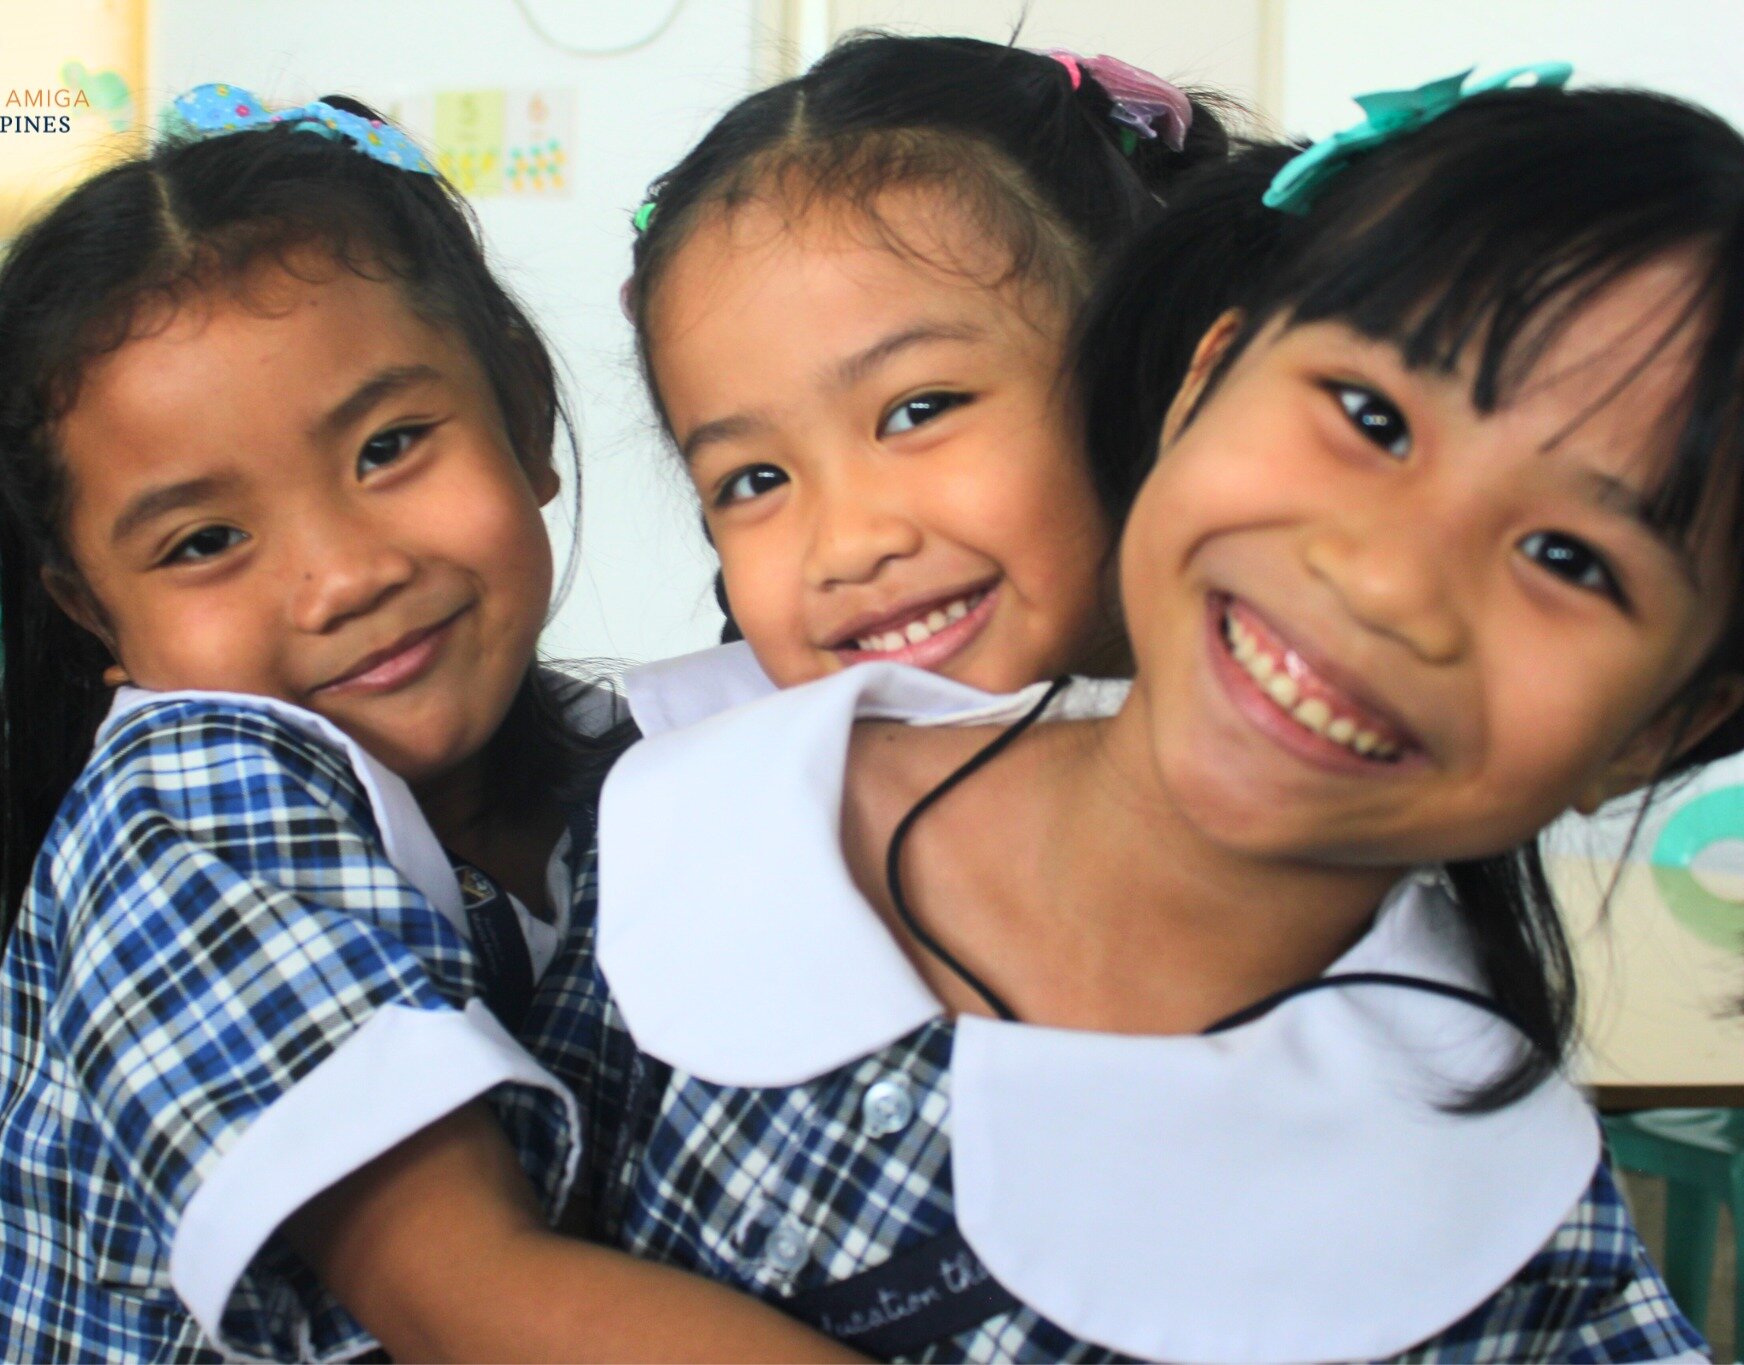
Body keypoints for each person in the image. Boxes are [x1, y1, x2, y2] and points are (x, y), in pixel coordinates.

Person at [543, 67, 1737, 1360]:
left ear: (1658, 730)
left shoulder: (1512, 1248)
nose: (1387, 581)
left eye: (1570, 560)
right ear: (1202, 384)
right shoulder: (689, 829)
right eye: (1372, 415)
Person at [0, 85, 854, 1360]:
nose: (344, 574)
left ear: (522, 409)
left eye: (388, 446)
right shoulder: (185, 805)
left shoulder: (626, 769)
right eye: (206, 541)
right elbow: (469, 1301)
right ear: (91, 615)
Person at [619, 34, 1232, 721]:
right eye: (756, 480)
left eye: (920, 410)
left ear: (1157, 366)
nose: (847, 545)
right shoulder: (709, 807)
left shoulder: (1331, 779)